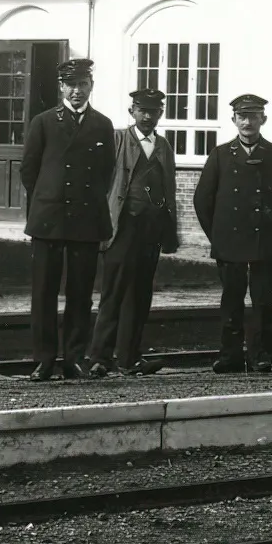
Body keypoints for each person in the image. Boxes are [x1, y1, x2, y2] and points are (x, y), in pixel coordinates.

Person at [20, 57, 117, 381]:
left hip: (85, 219)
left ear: (91, 86)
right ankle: (44, 359)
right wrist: (48, 199)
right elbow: (29, 171)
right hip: (49, 217)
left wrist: (84, 201)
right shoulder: (44, 122)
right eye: (71, 85)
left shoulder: (102, 124)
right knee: (44, 292)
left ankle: (74, 358)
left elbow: (106, 172)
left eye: (83, 85)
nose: (77, 91)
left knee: (80, 292)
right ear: (61, 86)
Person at [193, 93, 272, 374]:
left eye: (253, 116)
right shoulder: (219, 155)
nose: (247, 122)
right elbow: (202, 200)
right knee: (231, 300)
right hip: (229, 243)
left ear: (263, 120)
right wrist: (217, 237)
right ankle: (230, 355)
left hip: (265, 242)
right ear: (233, 120)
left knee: (262, 302)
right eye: (242, 116)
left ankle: (260, 355)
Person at [87, 87, 180, 378]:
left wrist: (169, 231)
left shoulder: (164, 146)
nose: (148, 116)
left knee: (140, 295)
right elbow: (102, 183)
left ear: (161, 114)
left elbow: (169, 190)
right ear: (132, 112)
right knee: (113, 292)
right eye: (143, 111)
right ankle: (100, 358)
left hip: (150, 231)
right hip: (122, 228)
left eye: (154, 112)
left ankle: (129, 358)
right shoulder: (117, 140)